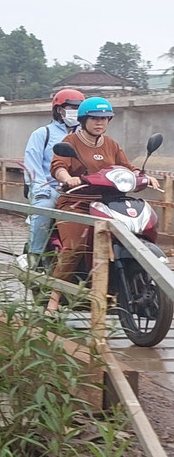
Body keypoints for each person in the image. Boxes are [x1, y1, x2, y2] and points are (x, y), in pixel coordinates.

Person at [45, 96, 160, 313]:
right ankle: (54, 297)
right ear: (83, 120)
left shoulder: (111, 144)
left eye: (105, 118)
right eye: (95, 118)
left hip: (108, 202)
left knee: (135, 233)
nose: (100, 122)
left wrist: (143, 176)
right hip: (76, 202)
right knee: (75, 247)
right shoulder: (70, 142)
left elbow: (127, 167)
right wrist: (67, 177)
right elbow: (58, 165)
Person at [19, 89, 84, 265]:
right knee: (45, 209)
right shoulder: (42, 134)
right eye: (71, 107)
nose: (75, 112)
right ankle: (34, 257)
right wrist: (41, 189)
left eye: (79, 108)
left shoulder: (86, 136)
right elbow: (32, 166)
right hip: (50, 188)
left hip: (80, 190)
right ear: (58, 110)